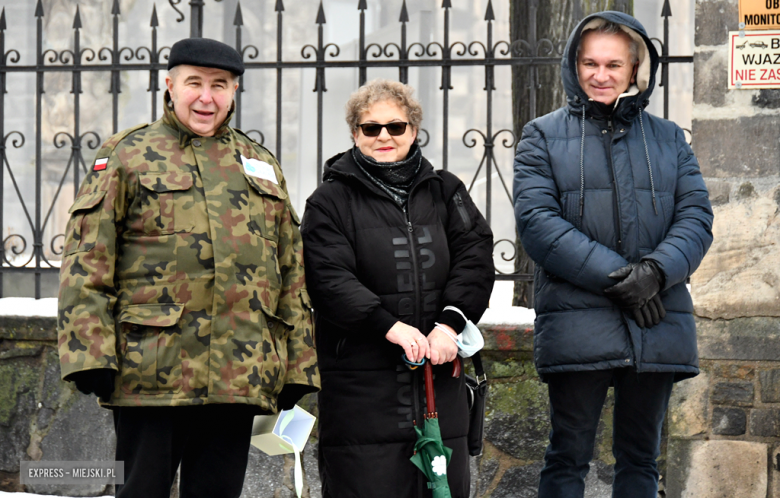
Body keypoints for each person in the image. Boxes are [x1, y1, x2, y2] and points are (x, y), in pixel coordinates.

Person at [57, 37, 319, 498]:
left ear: (235, 91)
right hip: (151, 372)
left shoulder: (259, 164)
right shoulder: (127, 154)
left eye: (219, 85)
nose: (206, 97)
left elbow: (289, 273)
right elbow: (87, 259)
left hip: (238, 374)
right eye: (194, 83)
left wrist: (297, 367)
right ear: (170, 86)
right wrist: (89, 353)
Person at [513, 11, 713, 498]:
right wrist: (624, 278)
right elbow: (539, 225)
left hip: (656, 318)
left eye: (613, 65)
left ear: (635, 70)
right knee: (567, 458)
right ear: (573, 65)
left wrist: (657, 271)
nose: (600, 75)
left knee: (642, 460)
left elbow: (696, 219)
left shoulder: (669, 138)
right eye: (589, 63)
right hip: (578, 323)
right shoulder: (541, 135)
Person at [301, 79, 494, 498]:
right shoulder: (328, 201)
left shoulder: (447, 191)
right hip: (361, 389)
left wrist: (449, 325)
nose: (384, 136)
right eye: (371, 128)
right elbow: (328, 278)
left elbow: (475, 259)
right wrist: (391, 327)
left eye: (396, 126)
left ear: (414, 130)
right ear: (355, 133)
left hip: (439, 381)